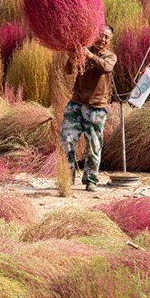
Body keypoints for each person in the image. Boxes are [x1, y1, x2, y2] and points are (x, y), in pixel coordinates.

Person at [61, 25, 116, 192]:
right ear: (94, 35)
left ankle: (91, 180)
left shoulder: (110, 56)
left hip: (96, 108)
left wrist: (89, 55)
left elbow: (106, 67)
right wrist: (72, 58)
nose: (103, 39)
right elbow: (68, 71)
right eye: (100, 35)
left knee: (93, 145)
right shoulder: (83, 51)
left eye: (106, 37)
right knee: (67, 140)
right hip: (76, 104)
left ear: (110, 40)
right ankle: (67, 178)